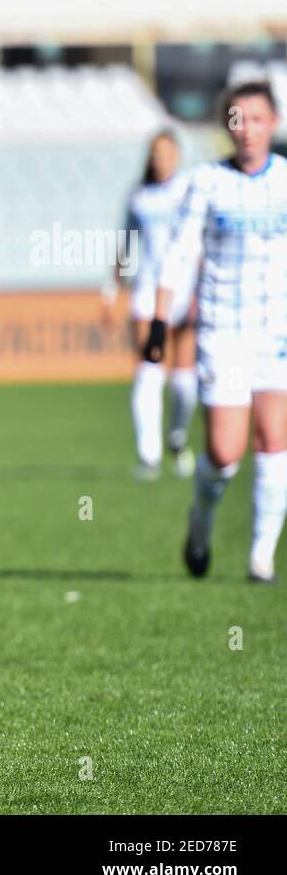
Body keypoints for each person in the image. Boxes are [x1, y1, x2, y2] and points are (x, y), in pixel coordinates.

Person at [145, 80, 287, 583]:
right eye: (236, 120)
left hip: (277, 333)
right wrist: (160, 321)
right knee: (225, 452)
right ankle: (201, 523)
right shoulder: (206, 182)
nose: (246, 129)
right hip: (224, 331)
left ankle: (261, 556)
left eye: (256, 119)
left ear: (273, 123)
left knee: (274, 439)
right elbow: (180, 253)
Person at [106, 130, 197, 480]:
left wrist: (201, 290)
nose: (161, 159)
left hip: (183, 292)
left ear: (177, 156)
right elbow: (126, 247)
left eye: (167, 153)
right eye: (155, 153)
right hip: (147, 293)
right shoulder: (139, 196)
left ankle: (176, 436)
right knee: (149, 369)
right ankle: (149, 455)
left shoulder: (190, 190)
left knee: (185, 382)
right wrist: (110, 293)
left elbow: (201, 241)